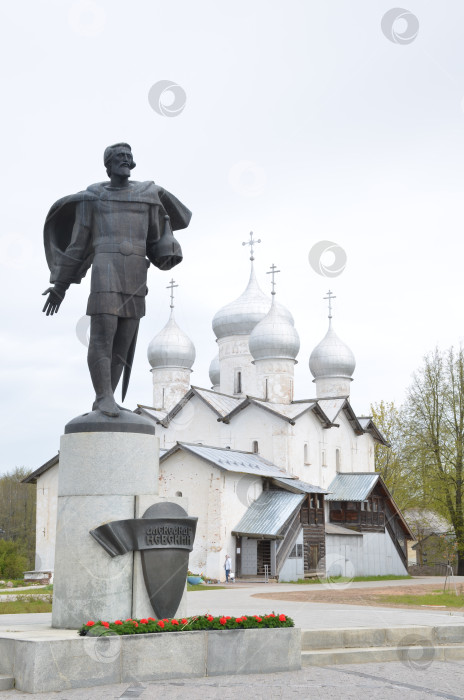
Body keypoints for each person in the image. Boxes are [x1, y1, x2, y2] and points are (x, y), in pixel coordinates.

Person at [42, 143, 191, 417]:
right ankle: (103, 396)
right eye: (118, 158)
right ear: (107, 165)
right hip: (105, 268)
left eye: (128, 157)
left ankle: (106, 398)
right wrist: (60, 286)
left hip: (135, 271)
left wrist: (167, 252)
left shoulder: (148, 196)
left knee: (124, 339)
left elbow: (155, 241)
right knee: (102, 336)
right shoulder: (93, 198)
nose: (125, 161)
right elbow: (78, 244)